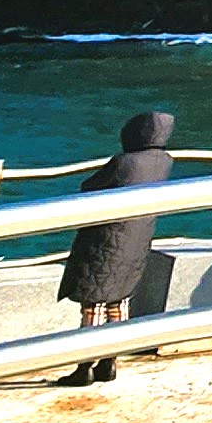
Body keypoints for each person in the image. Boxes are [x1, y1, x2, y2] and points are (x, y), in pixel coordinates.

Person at [52, 111, 175, 385]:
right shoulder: (165, 161)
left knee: (94, 303)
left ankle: (84, 367)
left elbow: (91, 185)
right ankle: (109, 362)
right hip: (137, 240)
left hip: (106, 239)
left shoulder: (124, 162)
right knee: (119, 300)